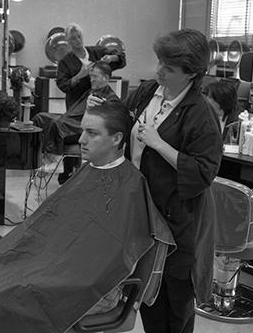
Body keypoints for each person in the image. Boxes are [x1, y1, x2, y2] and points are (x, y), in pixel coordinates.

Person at [0, 99, 176, 333]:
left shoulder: (131, 187)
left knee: (3, 297)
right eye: (82, 131)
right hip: (56, 266)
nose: (81, 139)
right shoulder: (89, 170)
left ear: (116, 138)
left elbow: (109, 261)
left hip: (93, 287)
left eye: (92, 133)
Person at [88, 28, 223, 333]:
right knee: (147, 293)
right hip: (143, 212)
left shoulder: (200, 115)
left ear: (192, 74)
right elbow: (124, 118)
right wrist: (103, 115)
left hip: (178, 222)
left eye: (169, 68)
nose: (159, 70)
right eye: (160, 62)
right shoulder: (150, 91)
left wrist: (160, 144)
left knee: (174, 304)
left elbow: (203, 171)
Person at [56, 23, 126, 181]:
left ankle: (95, 171)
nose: (77, 40)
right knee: (72, 131)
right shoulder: (65, 62)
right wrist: (79, 75)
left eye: (79, 36)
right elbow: (63, 85)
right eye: (73, 38)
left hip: (99, 98)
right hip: (77, 104)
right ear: (67, 41)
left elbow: (120, 57)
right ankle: (69, 174)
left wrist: (112, 57)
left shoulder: (96, 51)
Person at [33, 61, 121, 175]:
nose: (92, 79)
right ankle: (38, 157)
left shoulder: (109, 98)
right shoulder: (91, 91)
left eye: (95, 76)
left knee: (57, 124)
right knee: (40, 118)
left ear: (106, 78)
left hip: (83, 128)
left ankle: (55, 161)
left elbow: (98, 123)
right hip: (72, 121)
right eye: (91, 76)